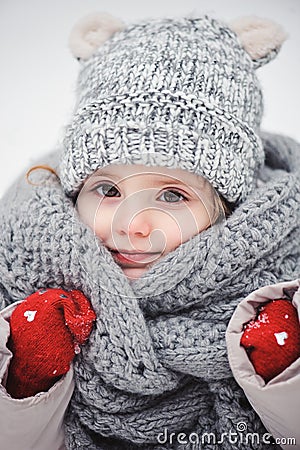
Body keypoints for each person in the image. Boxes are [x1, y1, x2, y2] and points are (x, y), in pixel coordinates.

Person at [0, 11, 299, 450]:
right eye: (108, 188)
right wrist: (24, 379)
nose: (133, 225)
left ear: (227, 209)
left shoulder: (285, 282)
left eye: (173, 196)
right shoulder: (19, 270)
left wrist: (282, 374)